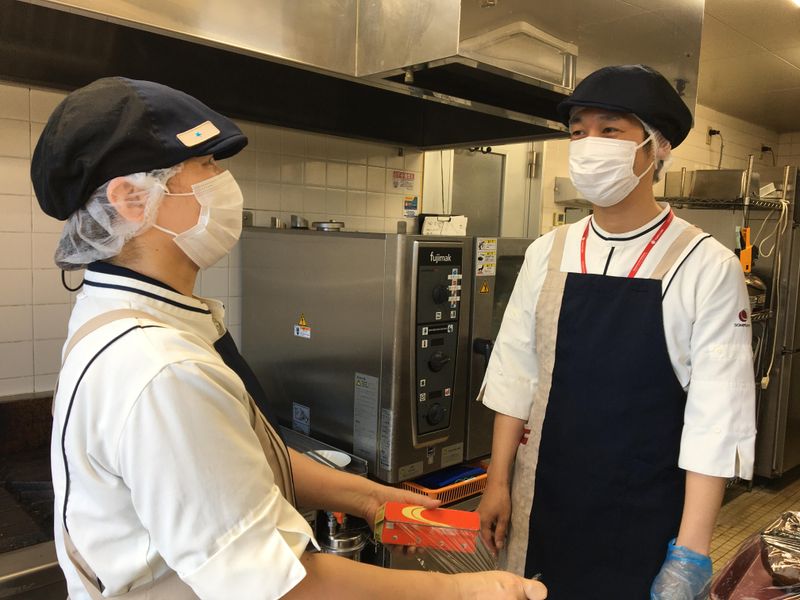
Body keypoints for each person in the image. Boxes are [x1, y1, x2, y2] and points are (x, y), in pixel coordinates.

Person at [31, 77, 547, 600]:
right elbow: (282, 590)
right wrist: (466, 592)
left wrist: (373, 500)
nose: (224, 182)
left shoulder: (124, 315)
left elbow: (244, 458)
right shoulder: (164, 370)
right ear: (132, 199)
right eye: (206, 165)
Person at [476, 64, 756, 599]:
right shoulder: (548, 251)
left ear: (657, 146)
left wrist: (691, 553)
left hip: (642, 514)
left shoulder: (706, 265)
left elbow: (716, 420)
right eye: (578, 132)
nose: (589, 145)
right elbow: (516, 374)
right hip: (543, 503)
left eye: (609, 130)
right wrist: (497, 482)